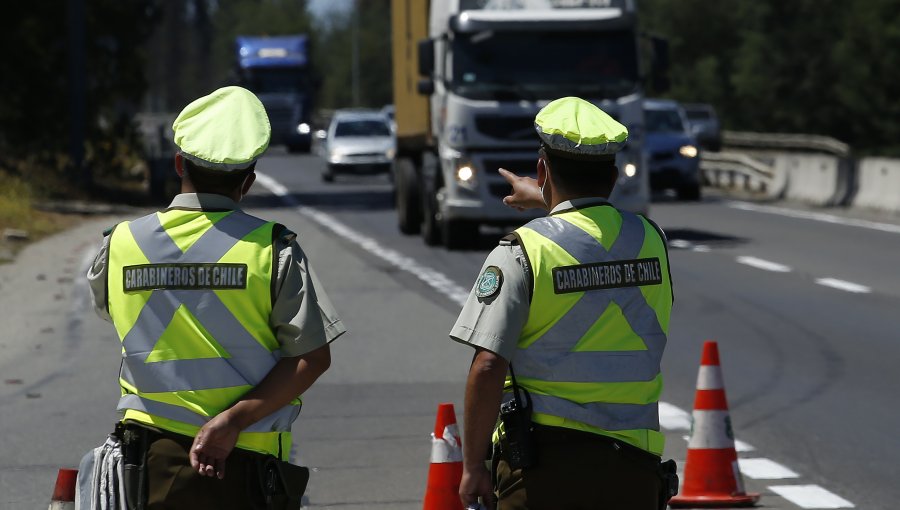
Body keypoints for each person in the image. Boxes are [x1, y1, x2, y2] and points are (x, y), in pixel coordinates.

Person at [85, 86, 345, 508]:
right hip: (247, 464)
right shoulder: (273, 250)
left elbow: (108, 310)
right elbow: (312, 358)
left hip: (148, 464)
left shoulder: (120, 245)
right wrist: (230, 422)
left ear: (177, 164)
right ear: (249, 180)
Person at [451, 97, 675, 510]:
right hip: (635, 470)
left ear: (542, 170)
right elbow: (595, 233)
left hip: (542, 471)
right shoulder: (651, 240)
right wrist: (546, 195)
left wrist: (472, 465)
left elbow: (487, 365)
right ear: (613, 176)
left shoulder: (522, 250)